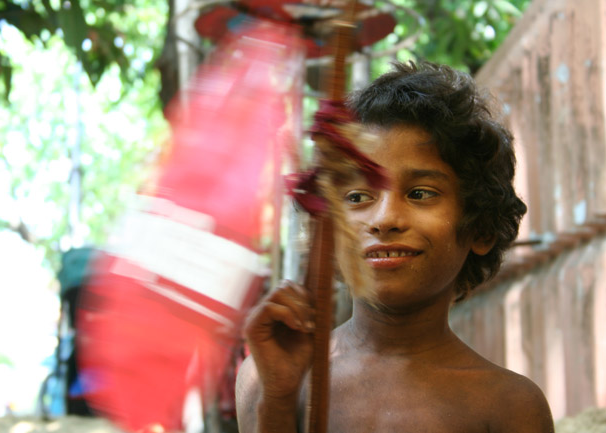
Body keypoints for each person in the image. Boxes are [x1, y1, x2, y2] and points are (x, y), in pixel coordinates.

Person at [235, 61, 555, 433]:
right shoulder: (270, 376)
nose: (385, 218)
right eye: (357, 196)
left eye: (420, 193)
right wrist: (277, 401)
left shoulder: (508, 406)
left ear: (480, 228)